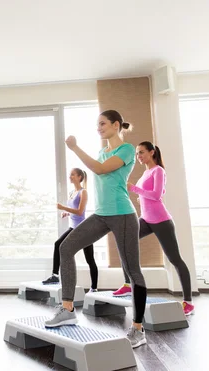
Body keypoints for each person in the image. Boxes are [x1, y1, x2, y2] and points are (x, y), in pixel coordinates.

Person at [44, 109, 148, 349]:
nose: (98, 127)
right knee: (67, 247)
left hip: (122, 214)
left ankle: (137, 329)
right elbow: (98, 167)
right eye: (97, 124)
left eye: (102, 124)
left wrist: (75, 148)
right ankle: (68, 308)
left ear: (116, 125)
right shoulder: (103, 151)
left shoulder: (126, 150)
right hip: (101, 214)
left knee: (132, 270)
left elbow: (101, 170)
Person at [112, 141, 194, 315]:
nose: (138, 156)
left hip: (161, 221)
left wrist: (133, 188)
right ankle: (128, 285)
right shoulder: (146, 172)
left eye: (141, 152)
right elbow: (153, 194)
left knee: (175, 259)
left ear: (151, 152)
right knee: (125, 242)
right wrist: (139, 198)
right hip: (146, 220)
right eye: (136, 154)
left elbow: (156, 195)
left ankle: (188, 302)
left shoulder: (158, 170)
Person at [41, 168, 98, 293]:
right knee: (58, 244)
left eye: (72, 175)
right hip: (73, 227)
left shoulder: (83, 192)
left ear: (79, 177)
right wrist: (66, 213)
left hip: (83, 229)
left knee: (89, 259)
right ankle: (55, 276)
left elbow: (79, 211)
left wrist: (62, 207)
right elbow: (74, 210)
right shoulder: (72, 192)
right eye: (70, 174)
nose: (70, 176)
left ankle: (94, 288)